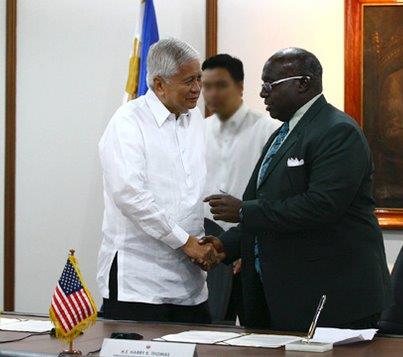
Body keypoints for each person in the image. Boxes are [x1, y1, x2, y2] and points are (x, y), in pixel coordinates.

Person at [200, 48, 392, 331]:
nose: (263, 94)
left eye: (269, 86)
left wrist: (243, 210)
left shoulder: (337, 131)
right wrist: (224, 245)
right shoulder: (281, 134)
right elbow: (262, 206)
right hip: (277, 298)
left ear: (303, 83)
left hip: (330, 299)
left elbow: (321, 206)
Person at [97, 38, 217, 324]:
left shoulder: (195, 118)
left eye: (200, 78)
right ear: (159, 85)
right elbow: (130, 195)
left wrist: (222, 243)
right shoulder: (128, 121)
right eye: (189, 80)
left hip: (191, 285)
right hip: (139, 286)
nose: (198, 89)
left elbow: (199, 188)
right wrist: (184, 241)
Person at [202, 54, 280, 324]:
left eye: (220, 85)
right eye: (206, 86)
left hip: (251, 247)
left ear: (240, 86)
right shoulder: (195, 133)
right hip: (208, 249)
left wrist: (250, 247)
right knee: (208, 333)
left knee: (254, 335)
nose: (212, 93)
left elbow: (274, 197)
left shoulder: (269, 131)